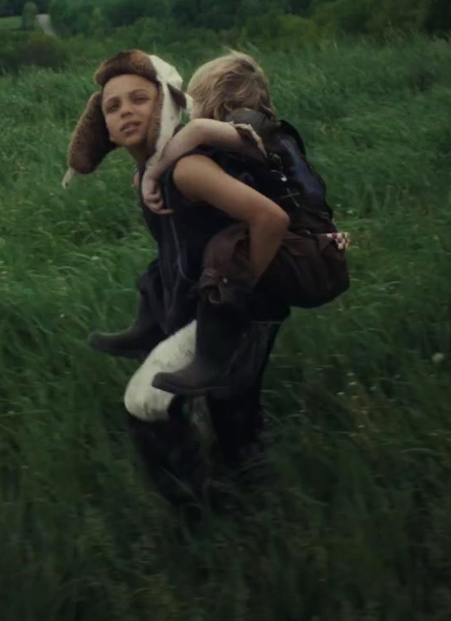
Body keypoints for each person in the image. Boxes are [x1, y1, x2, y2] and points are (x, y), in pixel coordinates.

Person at [61, 49, 293, 516]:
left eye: (139, 99)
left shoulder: (186, 168)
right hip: (215, 307)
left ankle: (193, 516)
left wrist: (241, 299)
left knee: (145, 403)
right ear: (102, 126)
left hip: (233, 308)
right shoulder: (149, 171)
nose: (125, 110)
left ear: (166, 103)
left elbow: (272, 219)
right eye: (112, 106)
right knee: (233, 416)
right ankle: (251, 512)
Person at [137, 50, 351, 398]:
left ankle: (212, 358)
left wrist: (153, 172)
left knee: (226, 255)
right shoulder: (272, 136)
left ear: (216, 104)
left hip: (306, 254)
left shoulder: (246, 132)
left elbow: (200, 130)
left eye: (195, 102)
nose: (192, 114)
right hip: (315, 247)